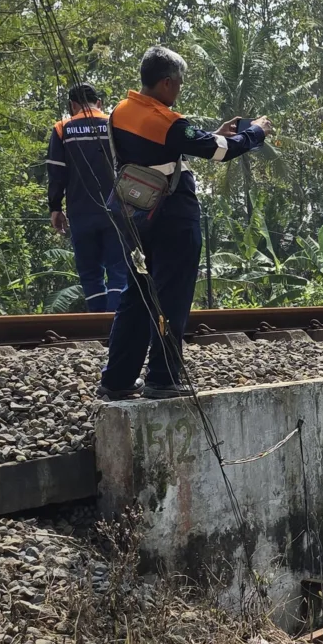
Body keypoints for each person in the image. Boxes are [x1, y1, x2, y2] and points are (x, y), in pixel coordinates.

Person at [98, 46, 271, 400]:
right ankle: (163, 376)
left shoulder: (121, 112)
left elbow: (167, 147)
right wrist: (256, 132)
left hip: (135, 214)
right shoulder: (167, 122)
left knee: (138, 295)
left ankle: (116, 379)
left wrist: (210, 133)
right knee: (171, 297)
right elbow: (222, 150)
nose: (179, 89)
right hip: (172, 216)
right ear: (165, 83)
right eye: (178, 83)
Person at [47, 84, 126, 313]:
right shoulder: (115, 125)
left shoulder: (62, 128)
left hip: (81, 213)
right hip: (117, 210)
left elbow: (56, 172)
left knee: (90, 274)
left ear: (72, 106)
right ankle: (116, 328)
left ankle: (99, 327)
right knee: (118, 271)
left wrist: (55, 208)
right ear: (99, 103)